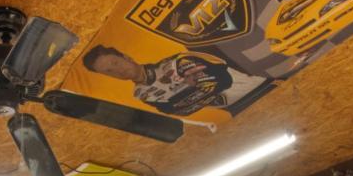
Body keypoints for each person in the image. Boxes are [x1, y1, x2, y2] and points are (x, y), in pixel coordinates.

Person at [81, 45, 259, 116]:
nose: (117, 70)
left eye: (115, 62)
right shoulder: (142, 95)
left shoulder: (173, 63)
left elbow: (222, 80)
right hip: (241, 107)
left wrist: (182, 97)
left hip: (253, 83)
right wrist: (190, 87)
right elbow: (181, 112)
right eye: (109, 71)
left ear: (126, 57)